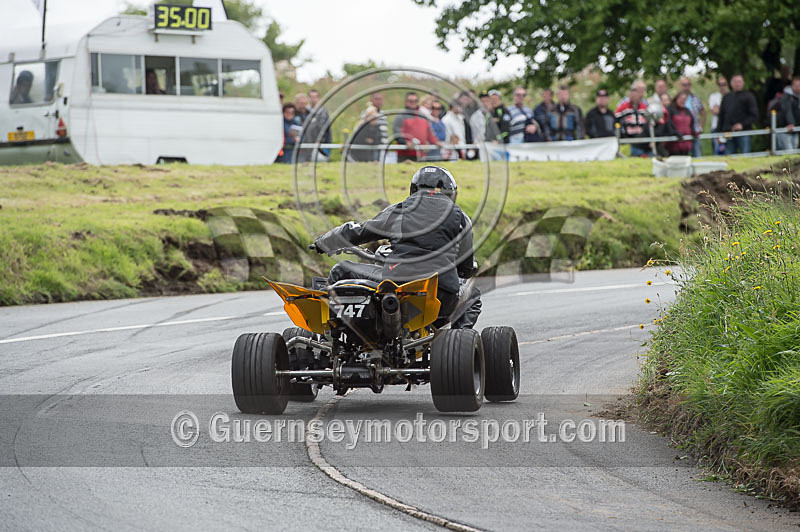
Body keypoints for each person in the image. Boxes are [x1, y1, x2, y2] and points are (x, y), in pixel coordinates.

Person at [313, 166, 480, 328]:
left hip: (397, 282)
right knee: (472, 294)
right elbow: (465, 268)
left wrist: (323, 242)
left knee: (340, 270)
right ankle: (457, 339)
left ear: (414, 188)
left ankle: (331, 330)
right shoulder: (461, 218)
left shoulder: (399, 210)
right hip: (441, 292)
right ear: (450, 192)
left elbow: (358, 231)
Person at [393, 92, 441, 162]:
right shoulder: (400, 116)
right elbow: (397, 134)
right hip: (405, 155)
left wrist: (436, 142)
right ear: (406, 102)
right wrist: (406, 143)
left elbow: (429, 133)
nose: (413, 103)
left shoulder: (423, 116)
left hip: (421, 155)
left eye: (415, 101)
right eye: (411, 101)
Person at [717, 74, 759, 154]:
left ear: (743, 83)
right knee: (729, 157)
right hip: (728, 133)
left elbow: (754, 116)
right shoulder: (726, 97)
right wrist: (719, 134)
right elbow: (721, 117)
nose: (737, 84)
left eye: (739, 81)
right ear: (731, 83)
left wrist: (742, 124)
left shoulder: (749, 96)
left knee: (745, 156)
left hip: (744, 133)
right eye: (735, 81)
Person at [615, 84, 651, 157]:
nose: (634, 98)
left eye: (636, 96)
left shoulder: (644, 107)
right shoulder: (624, 107)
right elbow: (615, 117)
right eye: (632, 96)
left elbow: (649, 121)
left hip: (642, 137)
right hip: (628, 137)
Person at [298, 88, 331, 162]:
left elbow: (326, 129)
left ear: (318, 98)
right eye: (311, 97)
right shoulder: (305, 111)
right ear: (309, 98)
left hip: (321, 145)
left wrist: (321, 141)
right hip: (306, 145)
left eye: (315, 97)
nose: (313, 99)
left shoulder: (324, 112)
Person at [679, 77, 706, 157]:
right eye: (684, 85)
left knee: (697, 154)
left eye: (687, 84)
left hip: (695, 131)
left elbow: (703, 113)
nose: (686, 87)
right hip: (682, 132)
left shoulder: (695, 99)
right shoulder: (678, 99)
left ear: (690, 85)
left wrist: (701, 127)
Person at [776, 77, 800, 151]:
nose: (798, 88)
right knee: (789, 153)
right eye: (796, 85)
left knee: (794, 151)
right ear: (792, 86)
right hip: (785, 128)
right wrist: (791, 123)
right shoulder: (786, 96)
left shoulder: (798, 97)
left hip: (795, 129)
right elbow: (787, 111)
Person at [709, 75, 729, 155]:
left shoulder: (730, 96)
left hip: (728, 128)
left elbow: (718, 110)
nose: (722, 86)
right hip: (716, 127)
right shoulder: (713, 96)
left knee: (729, 152)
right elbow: (715, 111)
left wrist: (720, 108)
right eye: (720, 84)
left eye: (724, 84)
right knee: (717, 152)